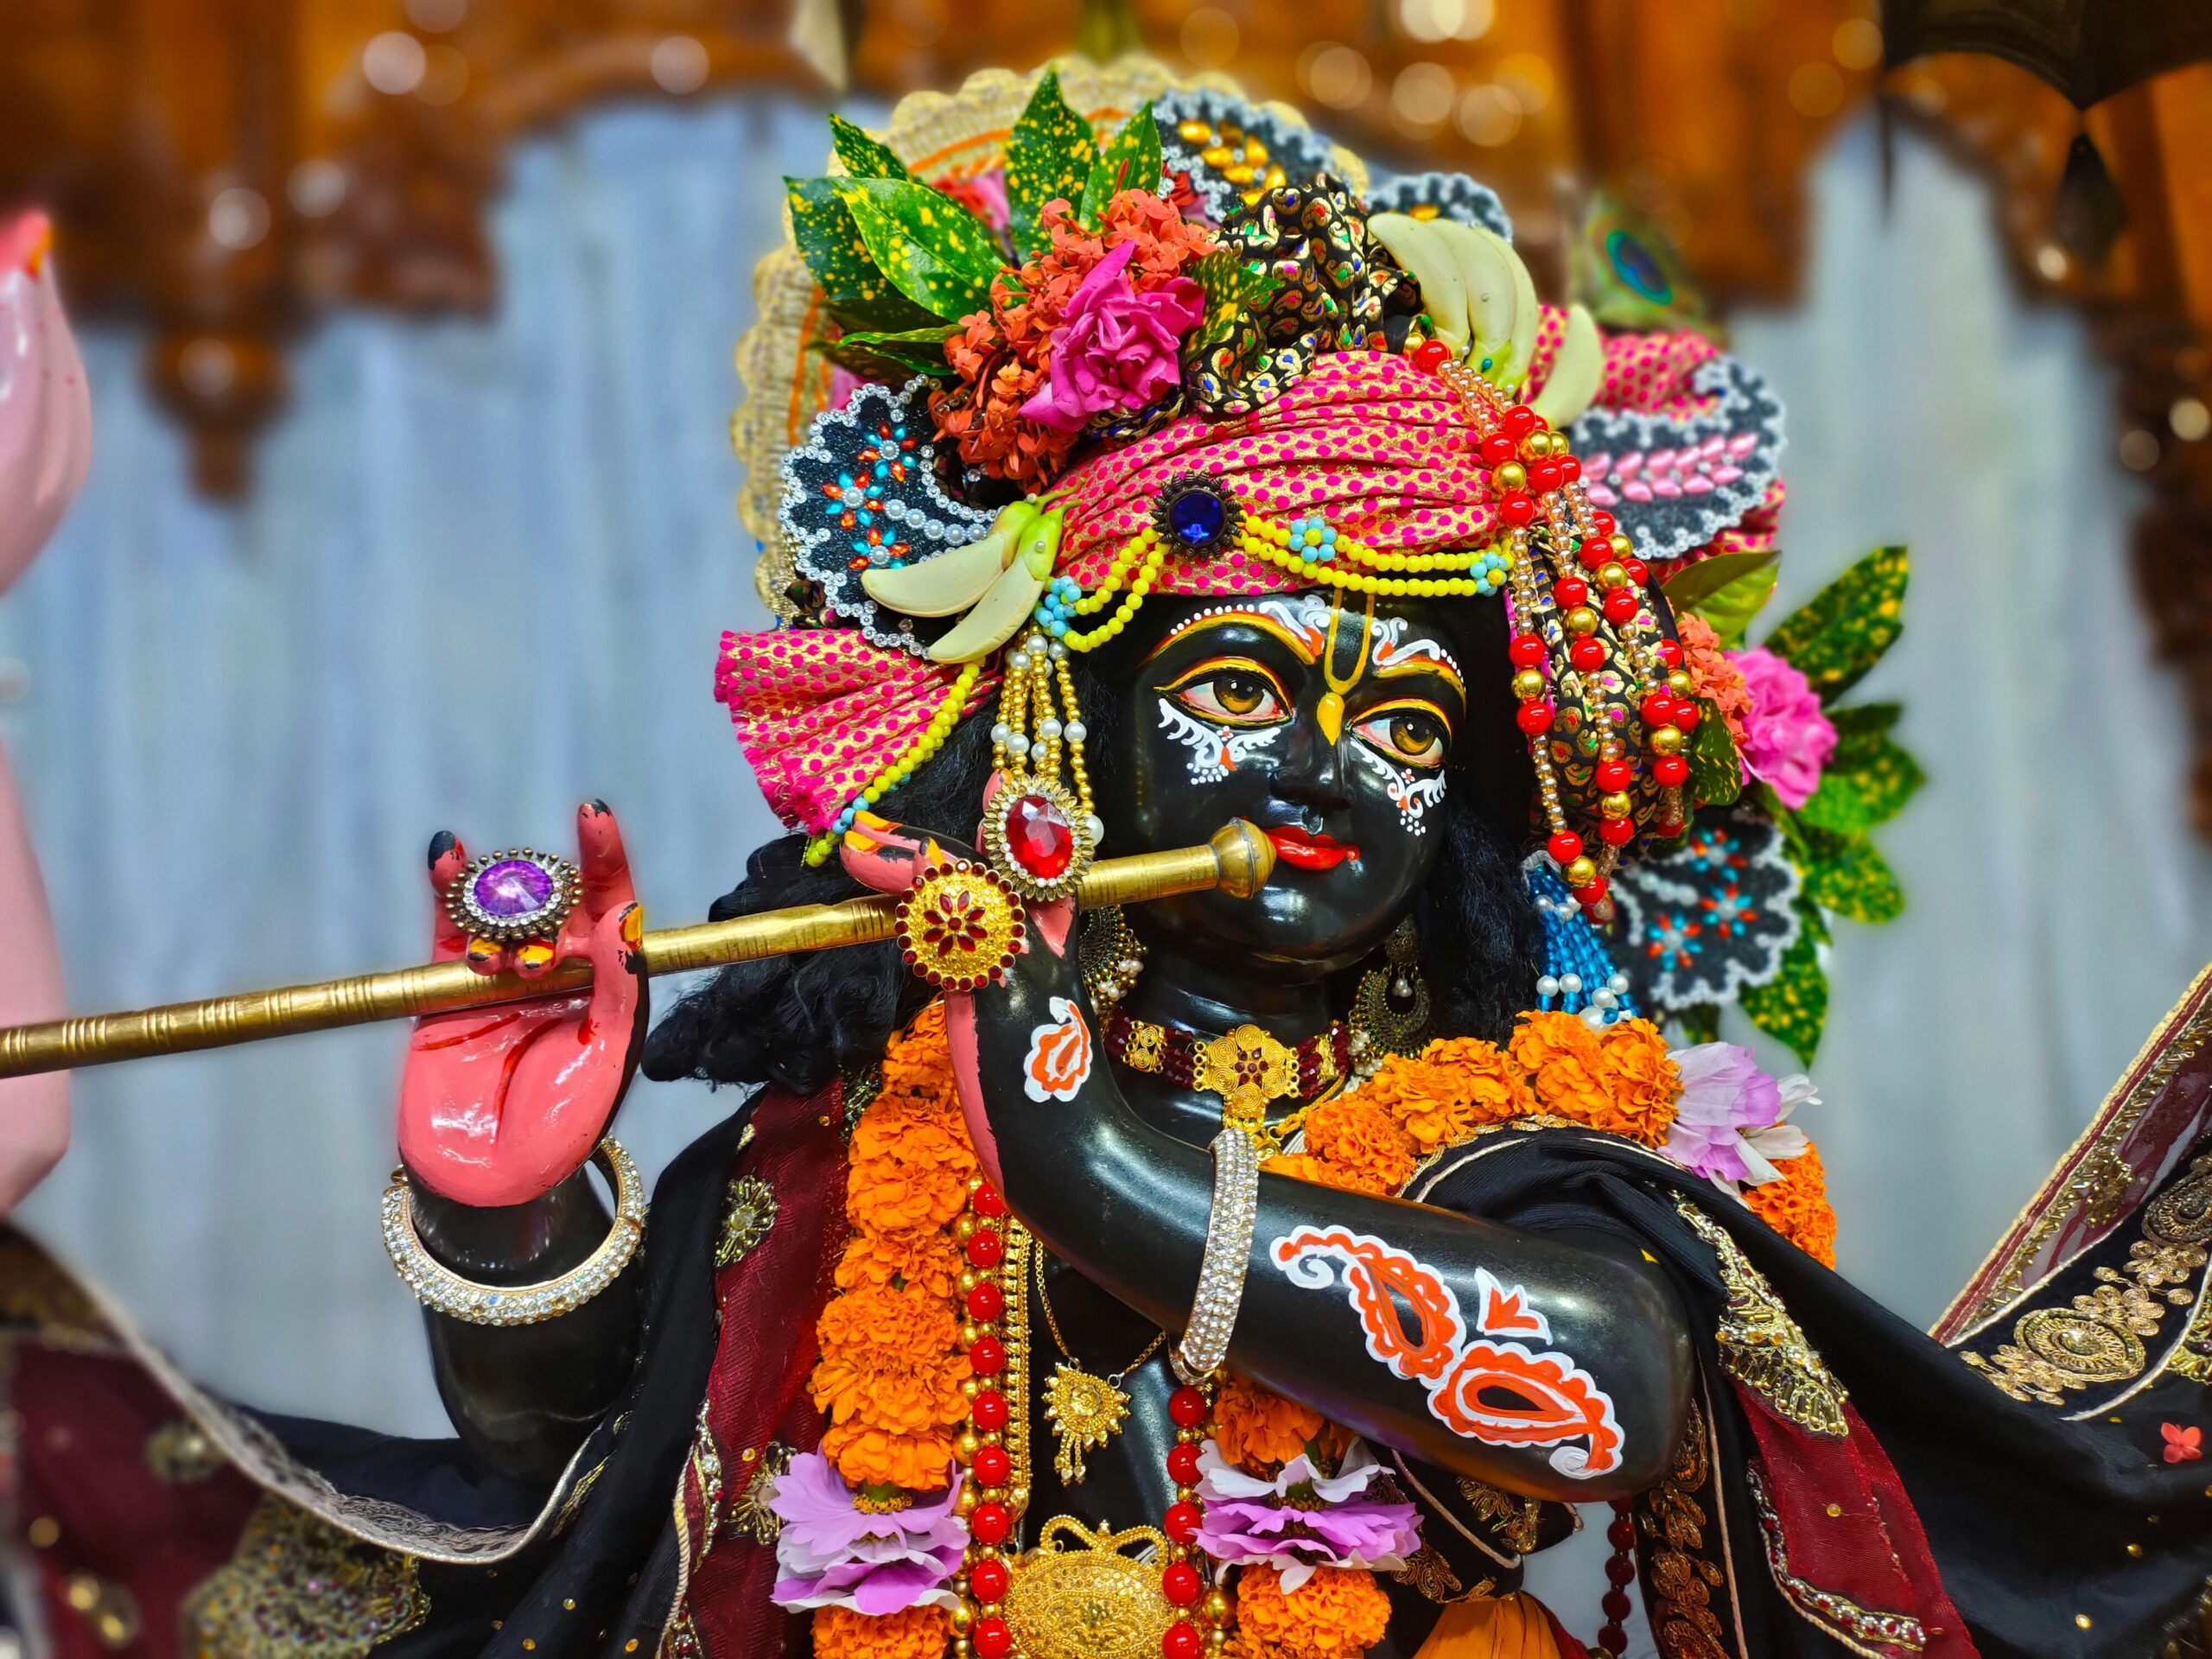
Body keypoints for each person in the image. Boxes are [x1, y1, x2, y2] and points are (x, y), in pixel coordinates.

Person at [6, 60, 2211, 1659]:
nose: (1332, 770)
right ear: (1055, 705)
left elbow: (1613, 1388)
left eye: (1408, 720)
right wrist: (512, 1210)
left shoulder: (1505, 1129)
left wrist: (1112, 1175)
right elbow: (587, 1482)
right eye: (1242, 689)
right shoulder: (862, 1125)